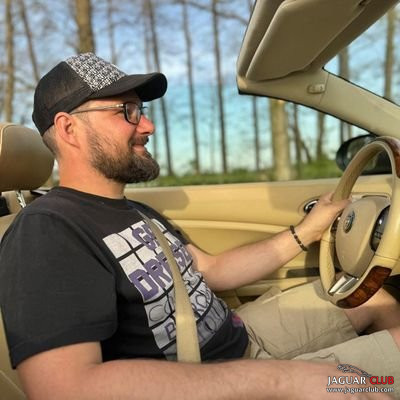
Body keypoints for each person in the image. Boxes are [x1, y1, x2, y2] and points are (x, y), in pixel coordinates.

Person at [0, 53, 398, 400]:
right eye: (127, 111)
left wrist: (307, 231)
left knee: (373, 298)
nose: (148, 126)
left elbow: (212, 270)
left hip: (241, 337)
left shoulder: (134, 210)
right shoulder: (46, 231)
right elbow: (65, 389)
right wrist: (283, 380)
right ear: (69, 129)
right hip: (206, 381)